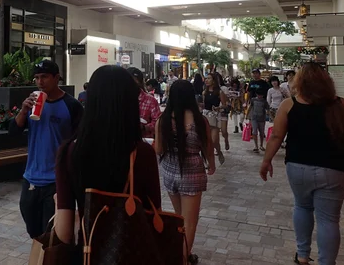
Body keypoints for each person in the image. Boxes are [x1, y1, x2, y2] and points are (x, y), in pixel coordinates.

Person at [260, 63, 344, 265]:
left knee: (302, 207)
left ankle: (302, 255)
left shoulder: (289, 105)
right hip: (335, 169)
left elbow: (276, 136)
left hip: (298, 167)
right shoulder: (343, 106)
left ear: (299, 82)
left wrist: (266, 161)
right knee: (329, 219)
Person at [55, 65, 161, 252]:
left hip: (88, 252)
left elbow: (64, 233)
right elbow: (155, 215)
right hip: (134, 254)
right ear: (129, 103)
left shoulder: (70, 151)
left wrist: (58, 203)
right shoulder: (143, 153)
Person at [9, 60, 83, 239]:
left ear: (57, 78)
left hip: (57, 180)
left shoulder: (71, 105)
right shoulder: (32, 103)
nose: (40, 82)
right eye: (36, 78)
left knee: (52, 233)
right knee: (33, 229)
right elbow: (13, 132)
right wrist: (23, 110)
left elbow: (80, 140)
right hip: (31, 177)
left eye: (44, 77)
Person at [155, 79, 215, 265]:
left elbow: (158, 149)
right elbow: (207, 146)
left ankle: (183, 253)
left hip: (169, 171)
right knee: (189, 223)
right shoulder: (199, 120)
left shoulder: (162, 120)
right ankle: (182, 259)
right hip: (192, 173)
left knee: (179, 218)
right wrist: (211, 165)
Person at [127, 67, 161, 138]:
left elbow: (158, 122)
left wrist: (144, 127)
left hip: (145, 141)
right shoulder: (119, 100)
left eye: (134, 81)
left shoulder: (150, 100)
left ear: (140, 83)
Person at [202, 74, 227, 164]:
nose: (207, 80)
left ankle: (219, 152)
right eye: (206, 79)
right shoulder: (204, 92)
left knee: (213, 141)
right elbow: (204, 104)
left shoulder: (219, 92)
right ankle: (208, 160)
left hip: (215, 117)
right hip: (205, 116)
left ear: (214, 80)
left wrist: (218, 108)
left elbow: (225, 104)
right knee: (206, 140)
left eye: (209, 78)